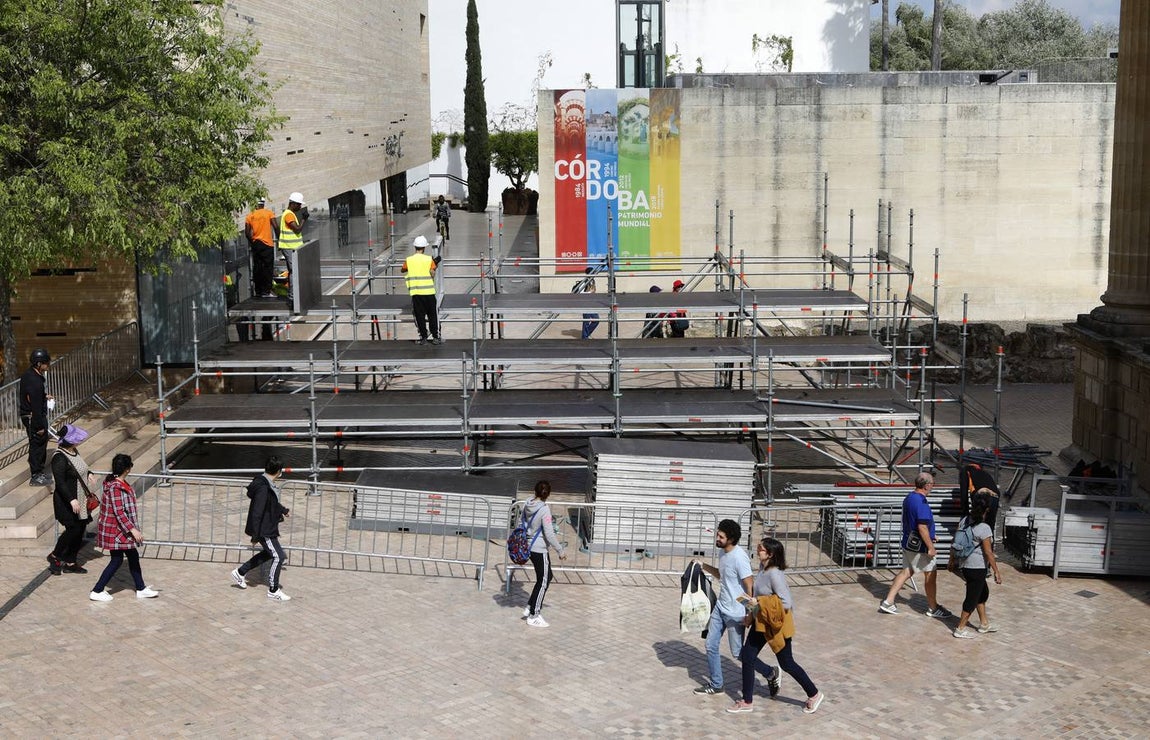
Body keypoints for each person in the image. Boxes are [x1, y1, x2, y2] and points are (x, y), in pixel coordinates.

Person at [728, 537, 824, 714]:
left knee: (787, 663)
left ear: (770, 554)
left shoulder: (775, 574)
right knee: (748, 656)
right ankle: (747, 701)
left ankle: (814, 694)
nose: (758, 551)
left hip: (778, 627)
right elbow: (758, 598)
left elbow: (786, 602)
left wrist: (760, 601)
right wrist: (750, 615)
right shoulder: (763, 569)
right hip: (762, 622)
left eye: (761, 549)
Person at [879, 472, 953, 618]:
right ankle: (933, 607)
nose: (933, 486)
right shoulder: (921, 502)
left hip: (908, 542)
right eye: (932, 484)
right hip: (920, 546)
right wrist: (930, 546)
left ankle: (888, 601)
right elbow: (922, 527)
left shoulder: (909, 497)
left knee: (907, 571)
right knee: (930, 574)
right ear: (927, 485)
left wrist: (931, 535)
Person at [693, 519, 753, 696]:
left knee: (738, 654)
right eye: (717, 535)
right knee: (711, 645)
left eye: (721, 536)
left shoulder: (739, 557)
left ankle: (770, 672)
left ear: (731, 539)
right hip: (720, 607)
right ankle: (716, 684)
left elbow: (749, 586)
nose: (717, 539)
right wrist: (703, 566)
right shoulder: (723, 553)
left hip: (736, 613)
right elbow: (723, 575)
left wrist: (750, 614)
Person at [89, 454, 158, 601]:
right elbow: (118, 511)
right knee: (117, 560)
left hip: (120, 530)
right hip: (117, 531)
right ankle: (97, 590)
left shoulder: (118, 482)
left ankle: (140, 587)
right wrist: (132, 530)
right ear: (127, 469)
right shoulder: (115, 487)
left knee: (132, 556)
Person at [231, 456, 292, 601]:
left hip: (268, 526)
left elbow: (271, 503)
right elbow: (257, 513)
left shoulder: (265, 483)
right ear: (278, 471)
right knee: (279, 556)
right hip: (265, 529)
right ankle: (273, 590)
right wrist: (255, 536)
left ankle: (240, 572)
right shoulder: (264, 488)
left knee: (269, 553)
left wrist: (283, 510)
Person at [950, 490, 1003, 638]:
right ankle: (960, 628)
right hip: (977, 568)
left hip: (965, 566)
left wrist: (951, 560)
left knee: (982, 593)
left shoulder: (964, 520)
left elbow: (954, 542)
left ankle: (984, 624)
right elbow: (988, 553)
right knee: (972, 598)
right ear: (987, 510)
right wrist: (997, 572)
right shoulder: (984, 528)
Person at [46, 424, 94, 575]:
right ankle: (55, 555)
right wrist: (72, 500)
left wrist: (89, 473)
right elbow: (60, 482)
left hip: (81, 499)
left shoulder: (74, 451)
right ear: (70, 441)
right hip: (66, 502)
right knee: (73, 529)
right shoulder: (59, 457)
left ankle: (71, 561)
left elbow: (80, 468)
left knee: (80, 529)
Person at [522, 480, 567, 627]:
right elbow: (549, 534)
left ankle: (530, 605)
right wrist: (560, 550)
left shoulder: (527, 503)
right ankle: (534, 614)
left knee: (543, 578)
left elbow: (521, 523)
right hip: (539, 548)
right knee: (544, 580)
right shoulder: (544, 510)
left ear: (535, 491)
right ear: (548, 494)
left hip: (529, 545)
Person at [18, 348, 54, 486]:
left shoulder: (30, 375)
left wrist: (44, 396)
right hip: (34, 417)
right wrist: (39, 427)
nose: (48, 365)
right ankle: (35, 475)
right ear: (39, 364)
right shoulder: (34, 380)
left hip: (34, 415)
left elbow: (32, 395)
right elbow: (35, 405)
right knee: (37, 444)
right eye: (46, 362)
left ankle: (39, 471)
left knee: (40, 443)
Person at [402, 235, 442, 345]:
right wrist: (435, 262)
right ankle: (435, 337)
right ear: (424, 248)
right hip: (429, 293)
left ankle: (423, 338)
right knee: (432, 315)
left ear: (415, 247)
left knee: (420, 316)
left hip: (416, 293)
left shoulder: (409, 260)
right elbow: (432, 269)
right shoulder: (429, 259)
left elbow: (403, 269)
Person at [245, 196, 279, 298]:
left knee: (257, 267)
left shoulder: (250, 215)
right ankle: (267, 291)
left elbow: (247, 232)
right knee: (268, 267)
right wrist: (280, 239)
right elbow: (276, 227)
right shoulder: (269, 213)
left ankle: (258, 291)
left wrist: (253, 241)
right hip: (267, 243)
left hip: (256, 243)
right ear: (263, 203)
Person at [278, 192, 307, 276]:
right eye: (299, 204)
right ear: (293, 204)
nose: (300, 206)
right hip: (289, 247)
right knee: (294, 270)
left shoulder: (290, 214)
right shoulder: (288, 215)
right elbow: (297, 230)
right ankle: (293, 289)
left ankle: (293, 289)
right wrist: (304, 219)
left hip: (291, 247)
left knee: (293, 271)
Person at [578, 271, 600, 339]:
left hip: (591, 303)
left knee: (596, 320)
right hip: (585, 303)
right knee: (586, 321)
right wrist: (590, 292)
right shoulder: (584, 282)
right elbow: (580, 293)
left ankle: (586, 334)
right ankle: (584, 337)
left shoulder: (593, 281)